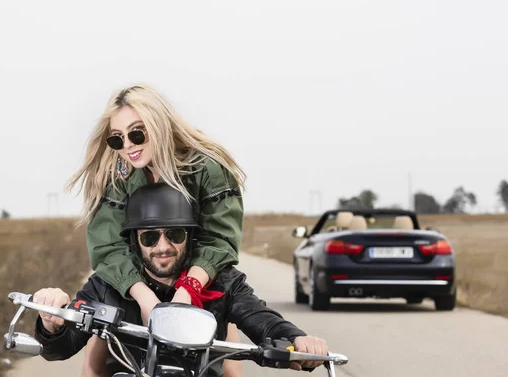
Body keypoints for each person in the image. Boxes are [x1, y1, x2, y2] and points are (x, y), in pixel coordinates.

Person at [33, 183, 328, 376]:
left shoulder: (223, 281)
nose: (162, 247)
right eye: (150, 236)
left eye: (174, 234)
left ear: (190, 237)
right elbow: (60, 347)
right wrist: (52, 322)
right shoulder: (107, 284)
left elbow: (261, 318)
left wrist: (297, 338)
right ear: (135, 241)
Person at [65, 84, 246, 375]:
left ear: (159, 125)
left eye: (137, 133)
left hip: (194, 271)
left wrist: (189, 289)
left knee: (224, 335)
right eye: (117, 139)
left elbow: (220, 240)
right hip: (137, 278)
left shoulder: (207, 168)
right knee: (101, 332)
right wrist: (144, 297)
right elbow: (107, 247)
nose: (128, 146)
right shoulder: (116, 174)